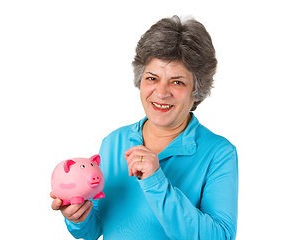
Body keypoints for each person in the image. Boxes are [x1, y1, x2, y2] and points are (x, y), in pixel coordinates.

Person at [51, 15, 238, 240]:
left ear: (196, 91)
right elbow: (94, 229)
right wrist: (77, 217)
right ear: (140, 80)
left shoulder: (219, 153)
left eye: (177, 82)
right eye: (152, 78)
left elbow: (220, 237)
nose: (161, 92)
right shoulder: (114, 142)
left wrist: (156, 180)